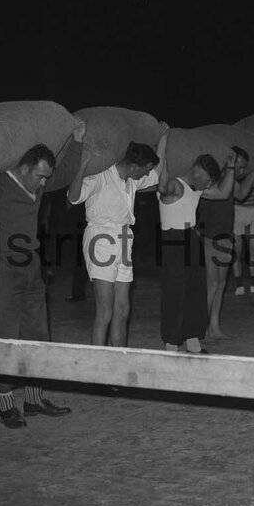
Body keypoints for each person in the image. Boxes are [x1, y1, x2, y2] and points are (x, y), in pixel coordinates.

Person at [0, 132, 71, 429]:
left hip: (31, 267)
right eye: (39, 176)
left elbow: (63, 175)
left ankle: (34, 400)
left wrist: (75, 142)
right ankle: (6, 405)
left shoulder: (37, 185)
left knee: (38, 333)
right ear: (24, 168)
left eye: (45, 178)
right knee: (3, 336)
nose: (43, 183)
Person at [67, 129, 169, 347]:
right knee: (105, 311)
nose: (146, 175)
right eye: (145, 170)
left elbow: (157, 173)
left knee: (122, 310)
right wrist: (83, 165)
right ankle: (99, 371)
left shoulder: (132, 180)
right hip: (100, 240)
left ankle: (119, 364)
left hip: (124, 239)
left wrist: (162, 139)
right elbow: (73, 197)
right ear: (134, 166)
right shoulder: (101, 175)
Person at [157, 152, 234, 352]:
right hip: (173, 240)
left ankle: (192, 341)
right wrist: (163, 146)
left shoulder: (196, 190)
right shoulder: (175, 186)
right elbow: (162, 186)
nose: (209, 186)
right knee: (174, 292)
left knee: (196, 292)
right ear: (199, 172)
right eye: (208, 181)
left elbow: (224, 193)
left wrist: (231, 167)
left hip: (191, 238)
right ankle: (171, 344)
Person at [198, 146, 254, 339]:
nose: (241, 171)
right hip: (209, 238)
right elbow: (226, 192)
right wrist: (231, 170)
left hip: (225, 238)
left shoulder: (230, 180)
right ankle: (200, 328)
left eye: (244, 168)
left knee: (220, 284)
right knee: (211, 285)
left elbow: (243, 193)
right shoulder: (210, 181)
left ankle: (214, 327)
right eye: (240, 166)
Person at [232, 160, 254, 296]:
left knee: (253, 250)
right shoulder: (234, 173)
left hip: (251, 212)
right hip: (237, 212)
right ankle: (239, 285)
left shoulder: (253, 172)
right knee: (237, 251)